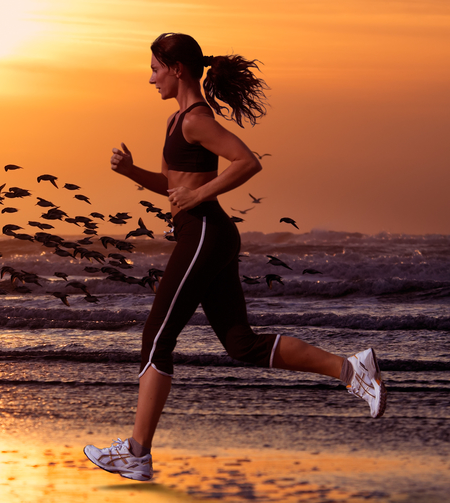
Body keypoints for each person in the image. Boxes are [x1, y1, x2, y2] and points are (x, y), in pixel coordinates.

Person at [83, 33, 386, 482]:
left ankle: (136, 452)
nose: (151, 79)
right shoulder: (175, 121)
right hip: (207, 233)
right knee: (241, 345)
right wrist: (132, 172)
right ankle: (351, 369)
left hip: (205, 232)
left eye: (154, 69)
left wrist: (200, 194)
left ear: (177, 68)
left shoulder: (196, 120)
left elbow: (247, 161)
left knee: (156, 339)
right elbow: (173, 187)